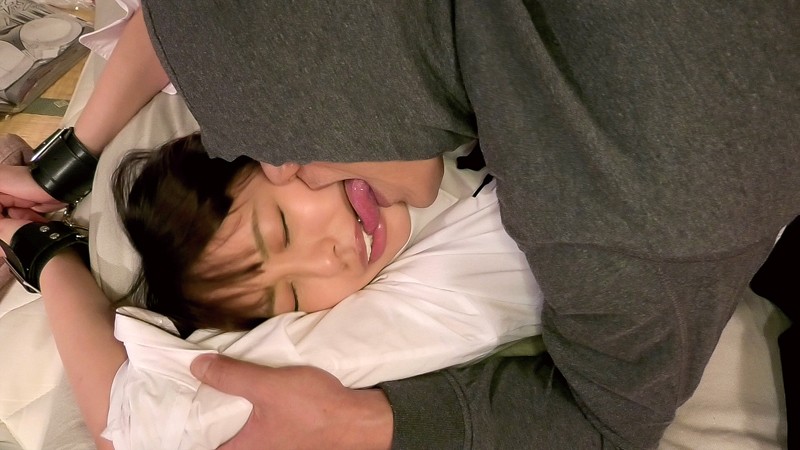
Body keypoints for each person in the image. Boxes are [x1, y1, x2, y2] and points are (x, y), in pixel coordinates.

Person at [2, 1, 799, 449]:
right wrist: (58, 174)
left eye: (271, 152)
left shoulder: (629, 219)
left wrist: (43, 247)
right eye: (293, 296)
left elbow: (133, 423)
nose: (288, 169)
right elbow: (177, 27)